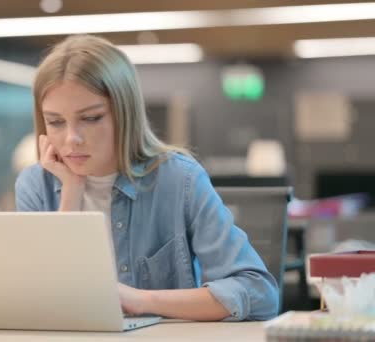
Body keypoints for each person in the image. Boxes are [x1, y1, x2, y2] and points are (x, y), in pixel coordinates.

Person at [14, 35, 278, 321]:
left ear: (124, 114)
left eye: (90, 118)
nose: (71, 139)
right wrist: (71, 194)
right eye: (55, 122)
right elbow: (44, 301)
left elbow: (259, 292)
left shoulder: (180, 180)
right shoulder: (36, 185)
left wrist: (139, 300)